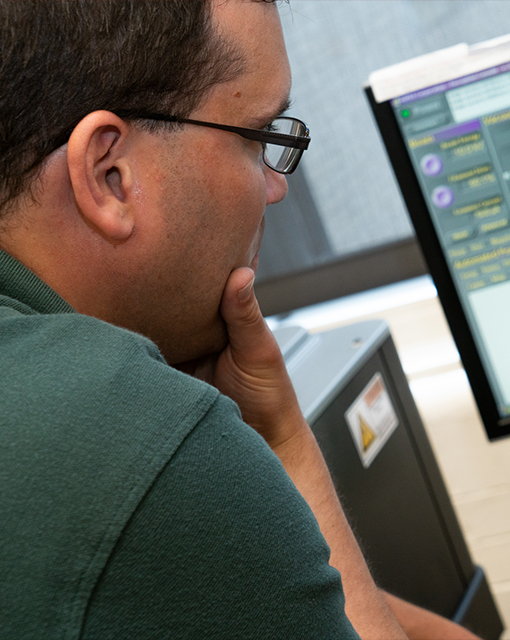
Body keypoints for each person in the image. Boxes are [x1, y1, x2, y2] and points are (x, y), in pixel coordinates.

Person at [0, 1, 480, 638]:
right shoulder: (133, 430)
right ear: (109, 175)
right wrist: (284, 440)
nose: (277, 187)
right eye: (260, 138)